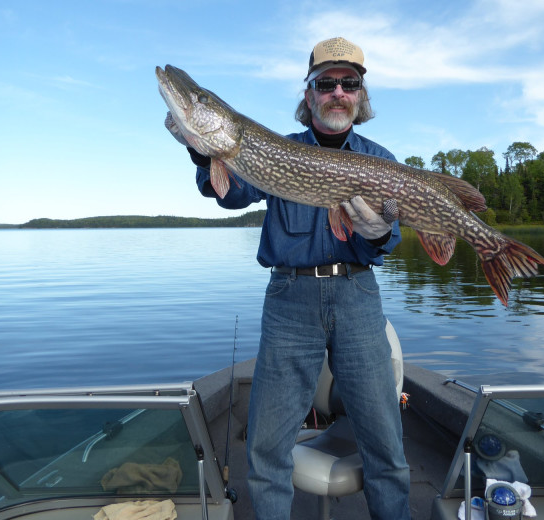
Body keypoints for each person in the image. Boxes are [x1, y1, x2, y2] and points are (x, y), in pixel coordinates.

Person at [167, 36, 410, 520]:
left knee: (386, 447)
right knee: (267, 449)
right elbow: (231, 195)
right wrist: (202, 154)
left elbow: (391, 237)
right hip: (289, 300)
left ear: (361, 96)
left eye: (349, 83)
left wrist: (381, 232)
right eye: (326, 83)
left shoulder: (381, 158)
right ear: (309, 94)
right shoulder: (273, 150)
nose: (337, 92)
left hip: (358, 295)